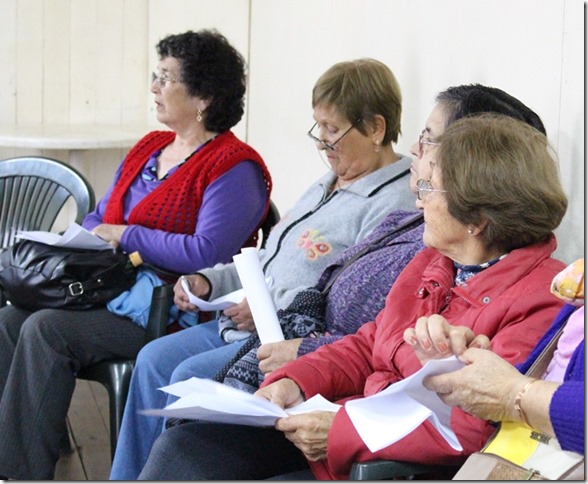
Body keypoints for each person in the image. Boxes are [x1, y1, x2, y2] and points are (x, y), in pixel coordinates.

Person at [138, 114, 570, 480]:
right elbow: (369, 344)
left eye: (427, 190)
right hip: (345, 431)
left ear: (476, 215)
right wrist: (294, 380)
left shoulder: (544, 299)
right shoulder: (433, 263)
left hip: (393, 464)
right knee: (184, 448)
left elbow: (470, 429)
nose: (417, 204)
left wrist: (340, 431)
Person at [110, 57, 416, 479]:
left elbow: (348, 298)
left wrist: (268, 311)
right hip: (242, 324)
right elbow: (268, 258)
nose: (321, 143)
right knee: (152, 360)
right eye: (318, 128)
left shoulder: (393, 202)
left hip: (285, 341)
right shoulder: (326, 182)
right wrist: (209, 280)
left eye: (332, 130)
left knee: (181, 375)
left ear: (377, 129)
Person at [0, 29, 273, 480]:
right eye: (156, 75)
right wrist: (95, 234)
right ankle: (13, 466)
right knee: (10, 320)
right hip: (109, 290)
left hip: (169, 309)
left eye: (165, 78)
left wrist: (127, 235)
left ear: (203, 96)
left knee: (47, 329)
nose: (153, 87)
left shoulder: (234, 166)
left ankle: (25, 475)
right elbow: (98, 216)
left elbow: (210, 251)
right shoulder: (150, 146)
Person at [218, 83, 552, 395]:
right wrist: (298, 380)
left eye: (428, 140)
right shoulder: (429, 251)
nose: (413, 150)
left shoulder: (461, 261)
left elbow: (459, 414)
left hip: (351, 406)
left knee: (188, 425)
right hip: (318, 368)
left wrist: (333, 419)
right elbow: (372, 342)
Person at [421, 257, 584, 457]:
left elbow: (481, 425)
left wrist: (512, 393)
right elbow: (540, 378)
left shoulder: (538, 288)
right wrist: (461, 368)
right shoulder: (575, 286)